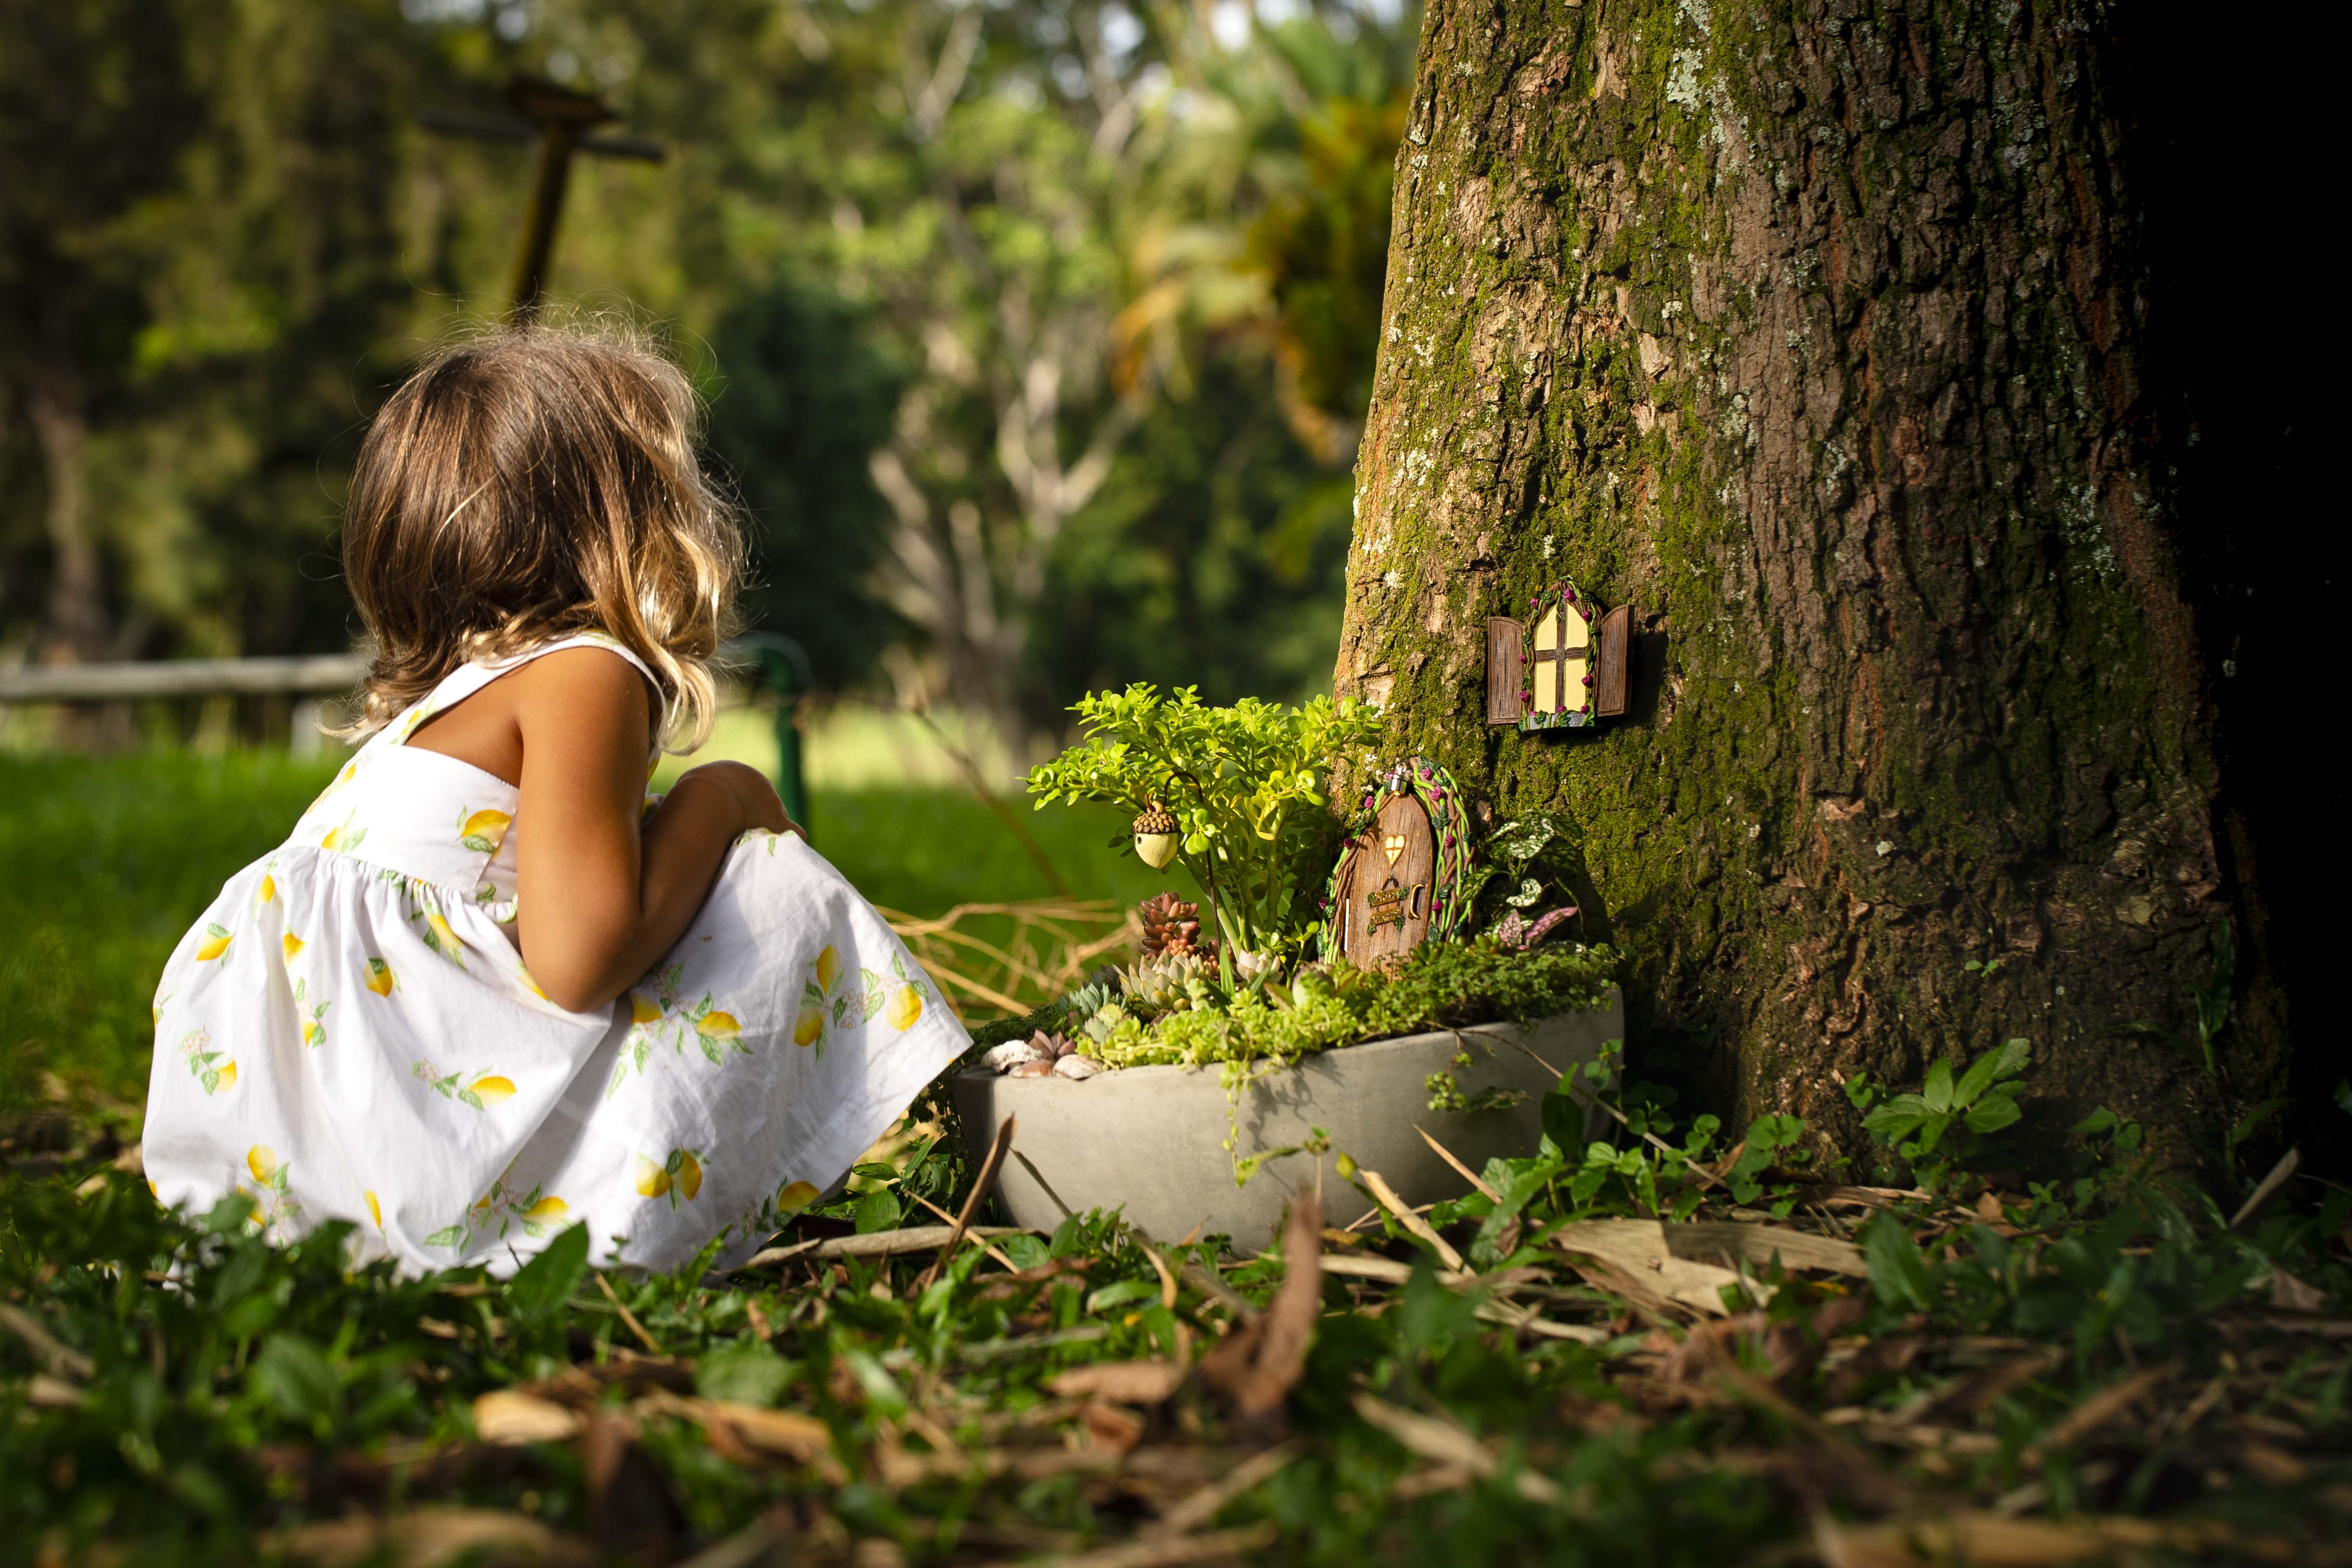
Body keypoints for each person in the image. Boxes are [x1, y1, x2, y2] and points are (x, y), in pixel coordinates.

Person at [143, 324, 969, 1274]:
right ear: (626, 521)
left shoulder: (455, 703)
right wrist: (724, 796)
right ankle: (883, 1141)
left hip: (317, 1150)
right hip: (421, 1154)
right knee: (773, 884)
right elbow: (578, 961)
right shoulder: (584, 670)